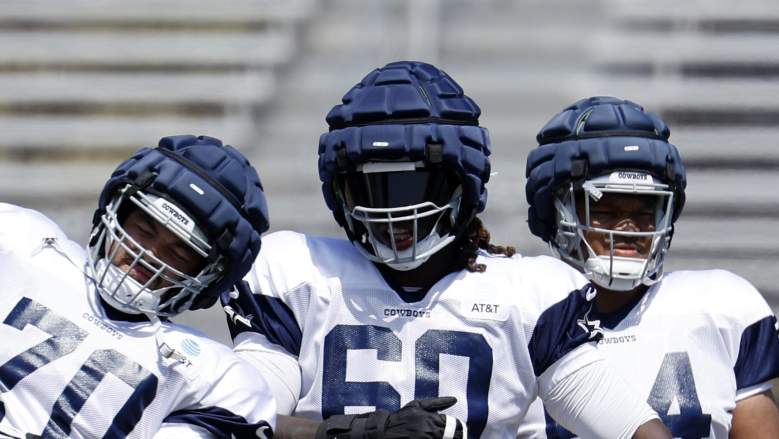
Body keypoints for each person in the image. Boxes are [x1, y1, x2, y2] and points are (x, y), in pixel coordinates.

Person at [222, 62, 672, 439]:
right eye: (372, 188)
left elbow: (633, 428)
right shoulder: (294, 274)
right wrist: (360, 432)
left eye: (414, 184)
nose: (393, 213)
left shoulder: (532, 296)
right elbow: (238, 421)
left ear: (465, 184)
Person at [519, 96, 779, 438]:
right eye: (606, 210)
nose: (628, 227)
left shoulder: (721, 309)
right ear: (558, 213)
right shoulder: (519, 315)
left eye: (644, 211)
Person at [0, 135, 276, 438]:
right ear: (116, 210)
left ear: (210, 275)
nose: (149, 254)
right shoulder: (22, 243)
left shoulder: (215, 377)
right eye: (144, 230)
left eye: (180, 252)